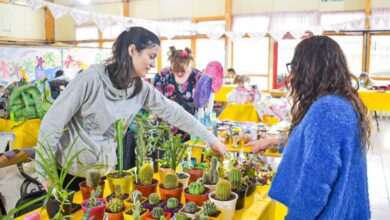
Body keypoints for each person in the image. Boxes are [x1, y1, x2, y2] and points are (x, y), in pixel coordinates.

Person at [36, 27, 227, 191]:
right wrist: (45, 174)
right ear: (132, 50)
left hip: (105, 172)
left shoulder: (140, 88)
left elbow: (174, 112)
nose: (153, 64)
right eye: (151, 56)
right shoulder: (90, 79)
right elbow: (53, 123)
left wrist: (210, 139)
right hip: (70, 175)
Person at [248, 36, 371, 219]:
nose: (292, 75)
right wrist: (274, 141)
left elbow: (314, 186)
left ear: (310, 69)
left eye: (295, 66)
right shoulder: (341, 102)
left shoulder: (326, 109)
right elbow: (313, 144)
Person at [153, 46, 202, 140]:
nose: (179, 73)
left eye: (183, 70)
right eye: (176, 70)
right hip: (166, 127)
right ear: (171, 64)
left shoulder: (197, 76)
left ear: (188, 64)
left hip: (190, 127)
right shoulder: (163, 75)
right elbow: (155, 99)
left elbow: (203, 103)